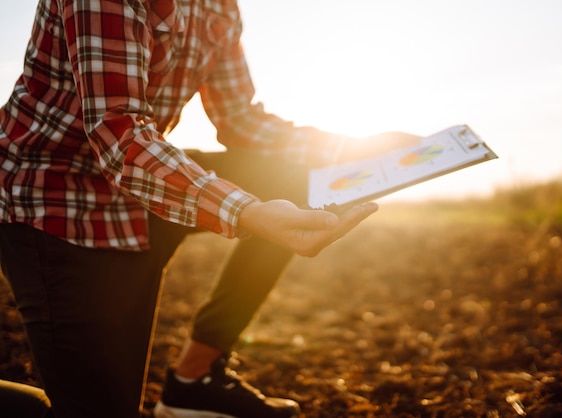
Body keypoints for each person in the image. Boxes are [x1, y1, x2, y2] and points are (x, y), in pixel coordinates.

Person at [0, 1, 419, 417]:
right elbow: (119, 132)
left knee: (296, 180)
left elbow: (239, 119)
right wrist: (246, 212)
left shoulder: (219, 6)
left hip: (140, 186)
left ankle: (194, 381)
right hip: (55, 197)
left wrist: (357, 148)